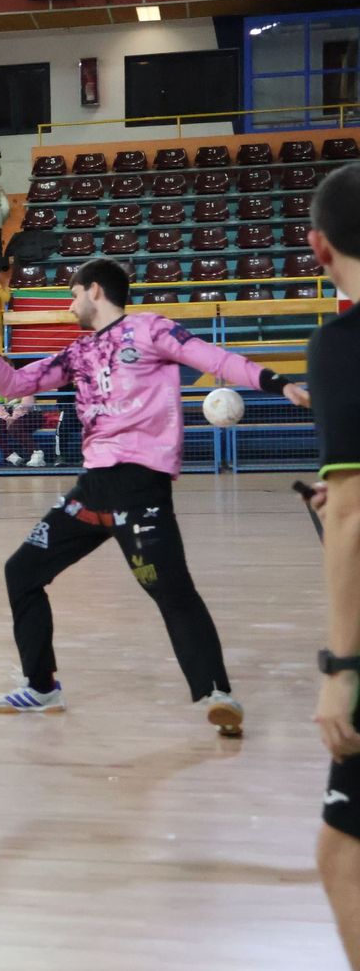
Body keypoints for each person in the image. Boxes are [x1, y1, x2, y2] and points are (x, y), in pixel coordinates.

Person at [0, 258, 309, 730]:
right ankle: (41, 688)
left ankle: (217, 695)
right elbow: (16, 383)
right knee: (21, 571)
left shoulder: (150, 329)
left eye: (74, 294)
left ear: (95, 291)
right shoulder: (78, 353)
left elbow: (214, 359)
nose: (71, 304)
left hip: (141, 486)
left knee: (171, 590)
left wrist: (277, 382)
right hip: (93, 489)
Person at [297, 165, 360, 965]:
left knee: (342, 854)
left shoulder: (342, 346)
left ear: (317, 246)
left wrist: (341, 668)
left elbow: (352, 515)